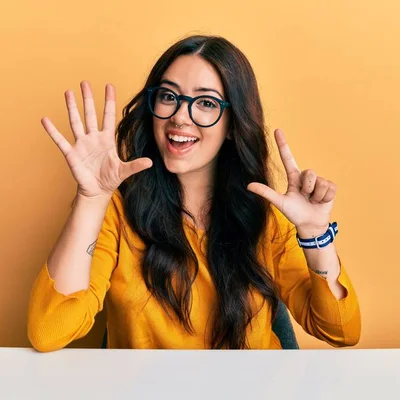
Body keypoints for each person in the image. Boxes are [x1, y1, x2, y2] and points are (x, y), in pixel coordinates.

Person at [27, 35, 361, 351]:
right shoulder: (117, 210)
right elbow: (49, 330)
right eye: (169, 96)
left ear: (233, 125)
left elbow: (340, 331)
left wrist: (316, 237)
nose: (179, 117)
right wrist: (92, 198)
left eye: (205, 103)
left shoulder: (266, 218)